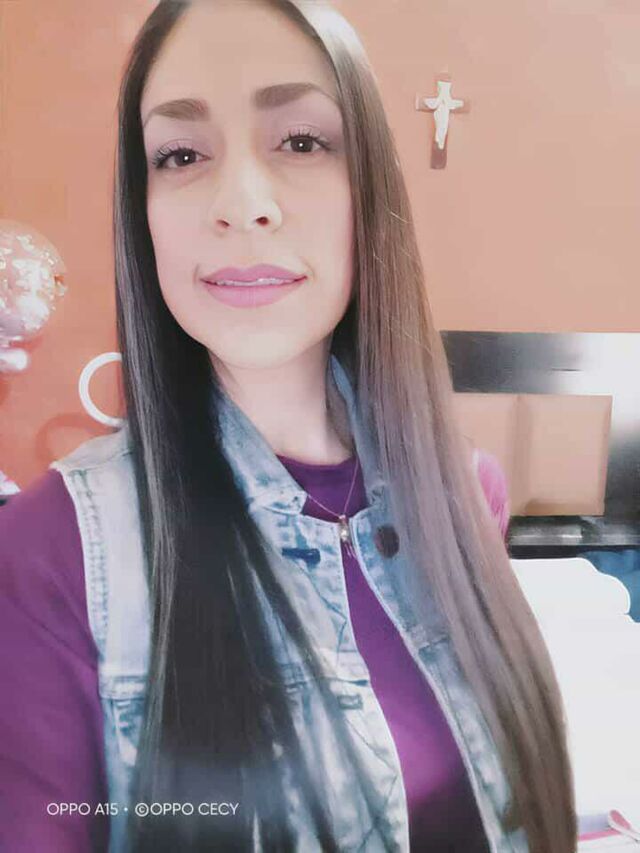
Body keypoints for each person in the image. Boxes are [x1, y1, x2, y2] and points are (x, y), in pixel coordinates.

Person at [0, 1, 577, 851]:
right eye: (181, 154)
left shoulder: (463, 491)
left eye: (302, 141)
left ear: (368, 187)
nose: (241, 204)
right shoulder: (51, 550)